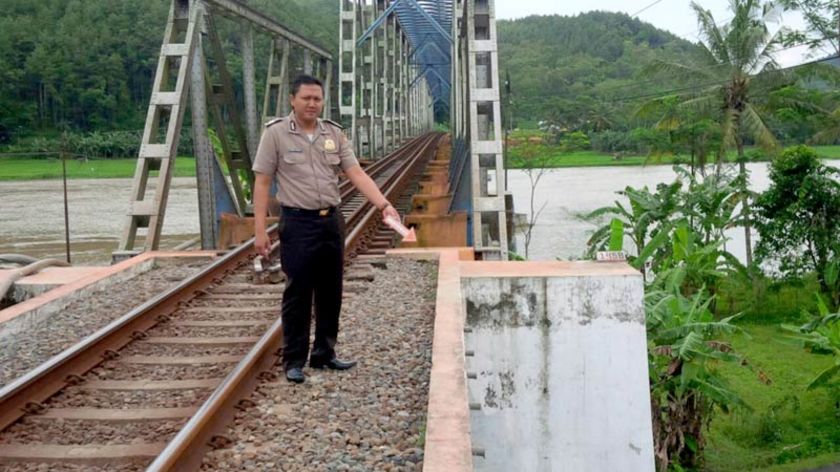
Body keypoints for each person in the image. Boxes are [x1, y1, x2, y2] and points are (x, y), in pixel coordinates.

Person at [251, 75, 400, 384]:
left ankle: (324, 353)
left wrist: (383, 204)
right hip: (297, 222)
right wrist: (260, 230)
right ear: (292, 99)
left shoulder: (333, 133)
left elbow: (355, 172)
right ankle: (294, 360)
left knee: (331, 291)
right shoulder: (276, 134)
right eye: (306, 98)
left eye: (317, 98)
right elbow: (262, 181)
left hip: (331, 221)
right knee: (298, 292)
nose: (312, 103)